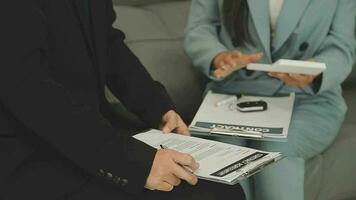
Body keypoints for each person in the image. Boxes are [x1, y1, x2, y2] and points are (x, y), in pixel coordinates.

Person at [0, 0, 246, 199]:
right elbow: (30, 91)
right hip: (29, 153)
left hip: (86, 133)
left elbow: (108, 42)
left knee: (223, 188)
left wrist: (158, 108)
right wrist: (136, 164)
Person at [184, 0, 356, 200]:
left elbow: (341, 47)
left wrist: (316, 69)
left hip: (306, 97)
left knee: (277, 148)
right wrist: (218, 56)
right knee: (227, 155)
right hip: (233, 95)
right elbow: (200, 28)